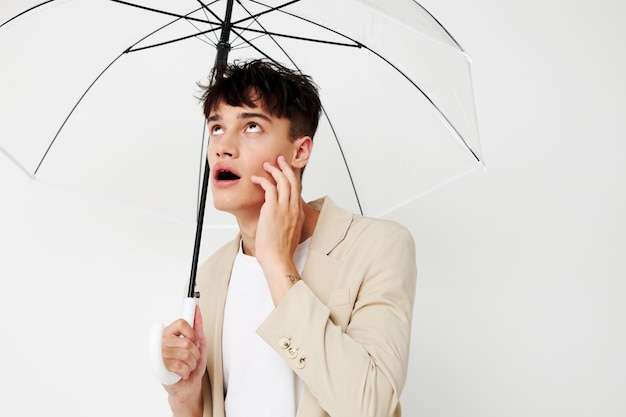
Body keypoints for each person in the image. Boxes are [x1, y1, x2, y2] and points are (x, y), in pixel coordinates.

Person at [160, 59, 417, 417]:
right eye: (216, 127)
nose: (222, 147)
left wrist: (277, 263)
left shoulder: (378, 247)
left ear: (300, 151)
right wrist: (185, 399)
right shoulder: (212, 272)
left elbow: (370, 405)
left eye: (251, 126)